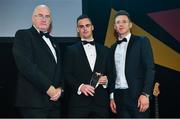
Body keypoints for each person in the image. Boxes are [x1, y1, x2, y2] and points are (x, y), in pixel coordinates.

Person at [12, 5, 64, 118]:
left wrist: (60, 89)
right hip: (33, 103)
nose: (44, 19)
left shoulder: (54, 42)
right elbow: (26, 66)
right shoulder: (23, 35)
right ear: (33, 18)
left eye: (47, 16)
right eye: (40, 15)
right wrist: (49, 88)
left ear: (50, 20)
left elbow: (59, 69)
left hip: (54, 103)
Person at [63, 15, 111, 118]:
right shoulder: (70, 50)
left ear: (92, 27)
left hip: (101, 104)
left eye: (87, 25)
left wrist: (106, 80)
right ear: (77, 29)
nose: (85, 28)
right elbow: (66, 74)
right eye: (81, 26)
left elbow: (111, 73)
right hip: (78, 104)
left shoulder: (105, 50)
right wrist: (81, 87)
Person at [109, 10, 155, 118]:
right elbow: (111, 74)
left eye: (124, 21)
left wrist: (145, 94)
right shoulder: (112, 48)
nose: (121, 24)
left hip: (138, 97)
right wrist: (112, 96)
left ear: (130, 25)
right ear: (115, 26)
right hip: (119, 97)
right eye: (118, 22)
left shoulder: (142, 41)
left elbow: (150, 69)